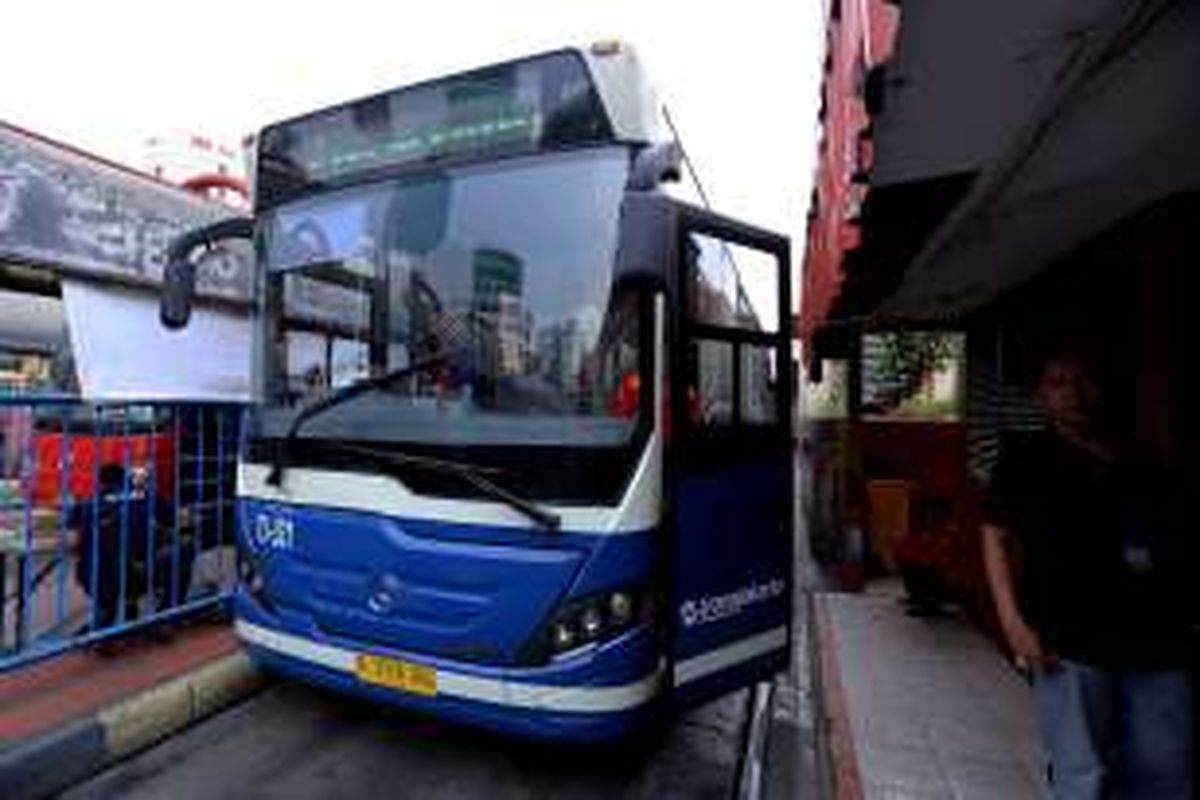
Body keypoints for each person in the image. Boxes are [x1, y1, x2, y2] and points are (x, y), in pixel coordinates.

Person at [981, 348, 1196, 800]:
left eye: (1083, 381)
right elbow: (994, 535)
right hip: (1069, 639)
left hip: (1158, 636)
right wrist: (1012, 622)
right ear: (1040, 395)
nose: (1074, 394)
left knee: (1167, 769)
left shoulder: (1141, 457)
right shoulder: (1026, 458)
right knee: (1083, 772)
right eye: (1058, 383)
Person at [72, 464, 193, 636]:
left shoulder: (88, 504)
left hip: (89, 579)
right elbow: (171, 518)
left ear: (99, 483)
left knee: (123, 561)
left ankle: (116, 611)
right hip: (130, 577)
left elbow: (70, 522)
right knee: (185, 548)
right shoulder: (143, 496)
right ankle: (166, 615)